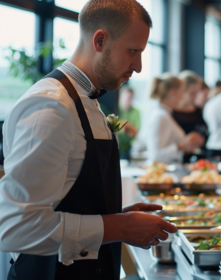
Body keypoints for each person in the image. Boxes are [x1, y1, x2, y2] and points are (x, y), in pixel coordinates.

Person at [0, 1, 178, 279]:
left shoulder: (87, 101)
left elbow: (65, 200)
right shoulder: (51, 107)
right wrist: (120, 228)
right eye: (134, 51)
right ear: (100, 40)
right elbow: (16, 227)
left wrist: (116, 215)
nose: (139, 67)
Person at [133, 74, 205, 164]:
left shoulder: (165, 114)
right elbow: (155, 155)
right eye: (181, 92)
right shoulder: (161, 116)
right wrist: (181, 145)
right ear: (172, 92)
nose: (182, 97)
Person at [173, 70, 207, 163]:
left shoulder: (197, 109)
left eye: (196, 92)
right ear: (182, 91)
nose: (195, 96)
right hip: (177, 157)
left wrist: (200, 140)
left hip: (196, 157)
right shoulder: (172, 111)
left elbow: (204, 131)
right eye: (192, 93)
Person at [118, 85, 141, 159]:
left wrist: (125, 125)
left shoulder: (135, 111)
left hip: (127, 147)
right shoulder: (113, 108)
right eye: (128, 98)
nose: (129, 101)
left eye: (131, 98)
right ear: (120, 96)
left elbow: (135, 131)